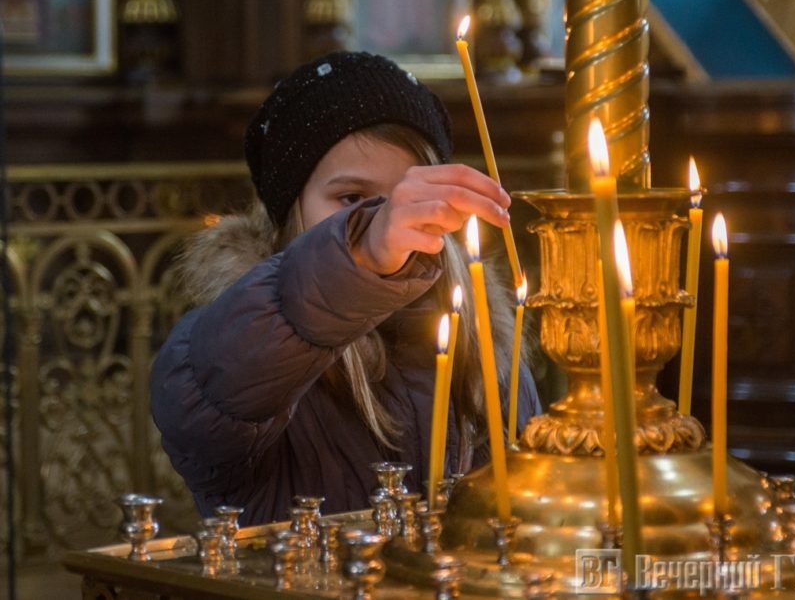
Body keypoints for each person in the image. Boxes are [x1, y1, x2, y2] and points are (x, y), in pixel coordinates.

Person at [151, 51, 542, 525]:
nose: (390, 215)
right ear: (291, 212)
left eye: (409, 193)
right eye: (352, 199)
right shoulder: (241, 342)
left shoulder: (487, 347)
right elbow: (211, 388)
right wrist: (361, 255)